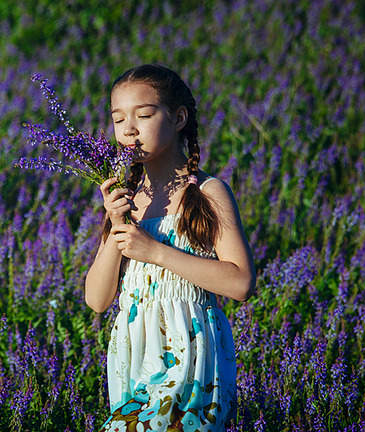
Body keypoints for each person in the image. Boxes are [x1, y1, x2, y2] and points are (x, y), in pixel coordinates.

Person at [85, 64, 256, 431]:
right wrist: (117, 225)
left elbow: (241, 283)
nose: (129, 128)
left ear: (178, 118)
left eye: (143, 115)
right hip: (134, 361)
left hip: (190, 364)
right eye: (118, 119)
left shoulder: (208, 193)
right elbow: (97, 300)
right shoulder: (126, 198)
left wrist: (157, 252)